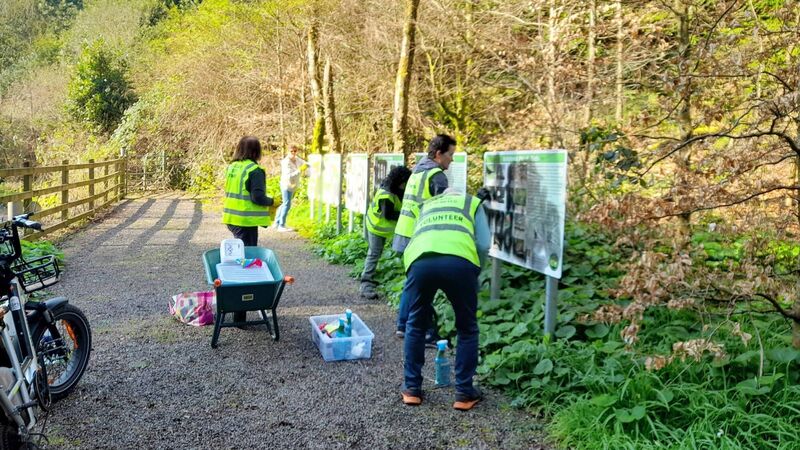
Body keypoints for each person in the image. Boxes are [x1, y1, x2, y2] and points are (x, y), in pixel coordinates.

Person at [400, 188, 490, 411]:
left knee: (415, 322)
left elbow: (414, 237)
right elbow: (484, 244)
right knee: (467, 327)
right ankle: (464, 393)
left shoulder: (427, 204)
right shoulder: (472, 203)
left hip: (420, 261)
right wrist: (475, 270)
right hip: (459, 262)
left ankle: (411, 389)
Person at [392, 134, 456, 340]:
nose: (452, 160)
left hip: (405, 234)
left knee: (414, 282)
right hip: (420, 238)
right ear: (438, 154)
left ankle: (403, 324)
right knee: (424, 285)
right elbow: (445, 208)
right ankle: (426, 331)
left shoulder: (418, 172)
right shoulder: (436, 176)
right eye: (450, 154)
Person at [222, 136, 274, 325]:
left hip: (232, 219)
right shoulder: (254, 170)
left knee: (239, 261)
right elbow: (257, 197)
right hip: (245, 222)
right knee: (245, 266)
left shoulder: (233, 167)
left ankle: (237, 310)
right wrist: (273, 201)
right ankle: (240, 315)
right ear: (255, 152)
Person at [360, 166, 412, 299]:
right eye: (405, 182)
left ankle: (369, 278)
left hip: (379, 226)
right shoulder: (387, 194)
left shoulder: (391, 187)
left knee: (375, 253)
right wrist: (406, 215)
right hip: (376, 227)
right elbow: (388, 215)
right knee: (374, 253)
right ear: (400, 181)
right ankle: (366, 283)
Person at [274, 145, 306, 232]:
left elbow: (305, 163)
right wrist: (299, 170)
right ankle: (281, 225)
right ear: (288, 152)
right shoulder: (286, 162)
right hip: (286, 184)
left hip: (293, 185)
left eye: (295, 151)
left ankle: (277, 222)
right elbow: (289, 176)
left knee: (285, 203)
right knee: (287, 204)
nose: (293, 153)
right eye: (291, 151)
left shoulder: (297, 159)